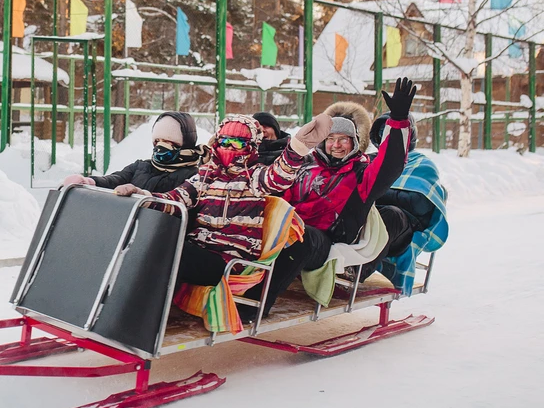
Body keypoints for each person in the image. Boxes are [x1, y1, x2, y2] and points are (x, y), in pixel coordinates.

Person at [114, 113, 333, 318]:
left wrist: (296, 148)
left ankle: (140, 316)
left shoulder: (254, 177)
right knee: (152, 239)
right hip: (202, 252)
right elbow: (176, 200)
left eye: (238, 143)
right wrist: (144, 197)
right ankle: (117, 303)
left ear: (251, 147)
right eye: (225, 141)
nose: (229, 148)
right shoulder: (206, 176)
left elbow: (279, 177)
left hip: (229, 260)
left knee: (171, 249)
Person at [281, 78, 417, 274]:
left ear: (354, 142)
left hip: (325, 238)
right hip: (292, 230)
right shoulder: (305, 164)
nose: (336, 145)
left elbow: (389, 164)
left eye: (343, 140)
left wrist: (398, 120)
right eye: (331, 139)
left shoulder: (361, 173)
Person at [361, 113, 449, 289]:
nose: (390, 139)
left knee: (392, 215)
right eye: (385, 134)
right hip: (367, 218)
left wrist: (375, 193)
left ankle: (357, 270)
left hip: (402, 228)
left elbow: (418, 202)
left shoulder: (421, 164)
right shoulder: (369, 160)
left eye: (396, 134)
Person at [62, 111, 205, 193]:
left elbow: (179, 200)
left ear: (184, 144)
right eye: (157, 141)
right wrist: (89, 181)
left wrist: (141, 195)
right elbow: (115, 179)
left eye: (168, 142)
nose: (161, 147)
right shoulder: (141, 167)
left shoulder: (193, 175)